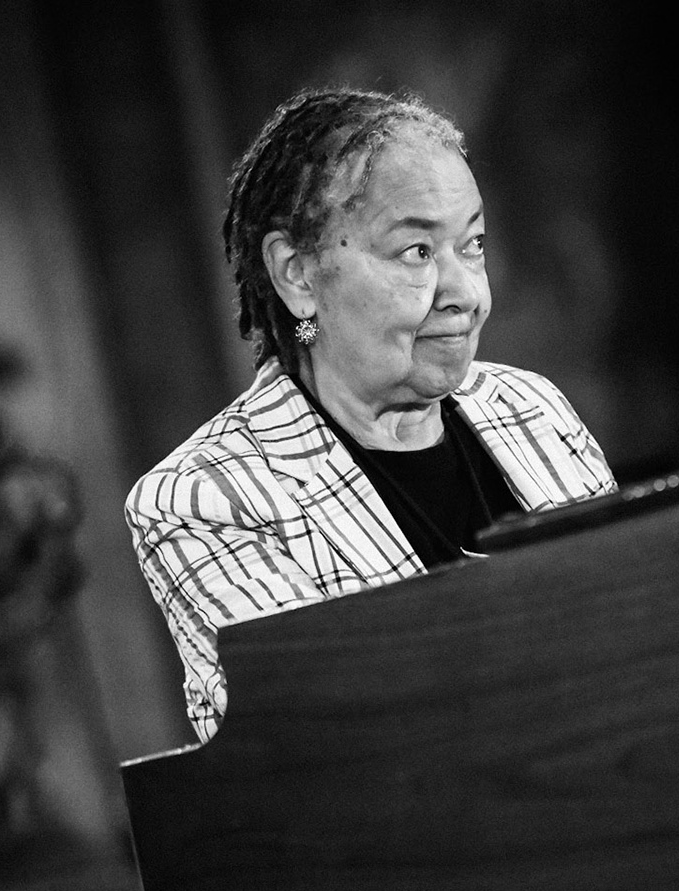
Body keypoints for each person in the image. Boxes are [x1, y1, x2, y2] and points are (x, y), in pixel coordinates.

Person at [127, 88, 614, 743]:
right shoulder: (205, 499)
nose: (466, 294)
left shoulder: (529, 410)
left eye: (471, 245)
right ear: (297, 273)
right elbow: (330, 751)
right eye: (416, 253)